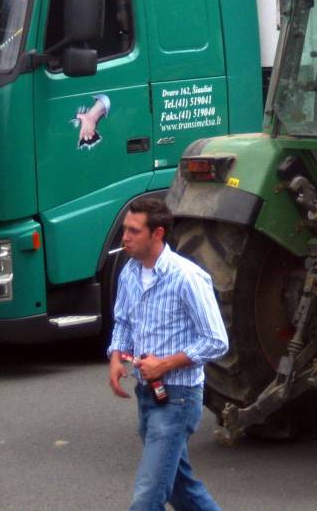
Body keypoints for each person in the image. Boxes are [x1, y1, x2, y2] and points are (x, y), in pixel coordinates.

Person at [107, 197, 229, 511]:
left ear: (157, 233)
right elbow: (123, 320)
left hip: (179, 398)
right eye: (125, 230)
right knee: (180, 489)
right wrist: (116, 357)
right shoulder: (129, 273)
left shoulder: (187, 278)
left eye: (134, 231)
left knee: (146, 499)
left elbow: (216, 341)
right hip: (147, 395)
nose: (125, 237)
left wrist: (165, 364)